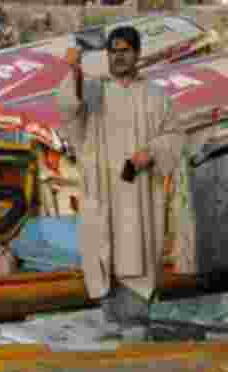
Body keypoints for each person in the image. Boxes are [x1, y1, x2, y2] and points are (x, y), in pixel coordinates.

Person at [59, 27, 182, 326]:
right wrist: (74, 70)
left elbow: (176, 135)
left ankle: (136, 335)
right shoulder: (95, 91)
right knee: (104, 259)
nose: (119, 56)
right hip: (102, 194)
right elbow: (68, 107)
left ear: (138, 54)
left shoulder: (156, 96)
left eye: (125, 50)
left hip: (138, 195)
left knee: (137, 261)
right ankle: (114, 334)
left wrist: (151, 151)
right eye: (114, 51)